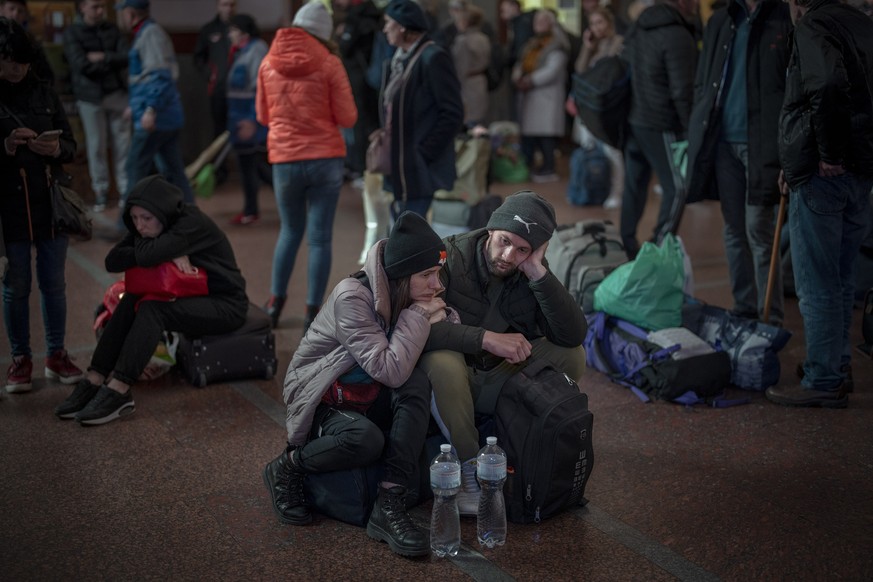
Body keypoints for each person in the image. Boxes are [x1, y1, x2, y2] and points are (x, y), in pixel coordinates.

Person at [263, 211, 451, 557]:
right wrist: (419, 315)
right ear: (400, 274)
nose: (437, 285)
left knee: (416, 385)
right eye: (427, 275)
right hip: (324, 397)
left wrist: (433, 314)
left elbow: (445, 318)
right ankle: (286, 467)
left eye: (438, 274)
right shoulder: (352, 297)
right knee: (366, 439)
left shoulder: (406, 293)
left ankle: (389, 503)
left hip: (365, 394)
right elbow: (388, 369)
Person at [419, 190, 587, 515]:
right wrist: (485, 339)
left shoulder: (527, 268)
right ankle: (469, 468)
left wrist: (538, 272)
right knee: (440, 360)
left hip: (499, 378)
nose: (509, 256)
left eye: (523, 249)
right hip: (456, 379)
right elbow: (419, 331)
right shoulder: (450, 257)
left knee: (573, 355)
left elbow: (572, 334)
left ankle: (522, 429)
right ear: (491, 229)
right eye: (504, 241)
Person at [53, 175, 248, 425]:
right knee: (133, 295)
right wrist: (164, 249)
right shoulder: (152, 225)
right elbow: (112, 260)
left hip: (226, 305)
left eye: (146, 218)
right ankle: (96, 376)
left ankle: (120, 388)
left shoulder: (190, 222)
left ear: (164, 212)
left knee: (153, 308)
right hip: (194, 296)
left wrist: (162, 249)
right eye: (133, 219)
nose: (140, 226)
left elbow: (145, 256)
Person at [766, 0, 873, 408]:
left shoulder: (813, 25)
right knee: (844, 278)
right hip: (860, 172)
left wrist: (826, 153)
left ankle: (824, 377)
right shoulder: (861, 24)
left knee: (818, 282)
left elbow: (825, 86)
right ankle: (837, 362)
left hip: (827, 173)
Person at [685, 0, 791, 325]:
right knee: (733, 230)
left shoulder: (784, 17)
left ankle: (769, 317)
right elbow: (704, 79)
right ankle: (745, 308)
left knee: (759, 230)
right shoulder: (721, 19)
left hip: (764, 145)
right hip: (723, 144)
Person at [256, 0, 357, 331]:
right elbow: (348, 116)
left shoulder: (268, 62)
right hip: (325, 158)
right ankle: (312, 312)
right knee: (319, 239)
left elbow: (262, 116)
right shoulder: (330, 63)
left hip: (285, 160)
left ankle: (274, 304)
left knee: (289, 231)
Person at [0, 16, 83, 393]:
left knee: (54, 283)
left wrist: (56, 148)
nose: (15, 68)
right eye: (8, 60)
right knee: (16, 285)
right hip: (9, 204)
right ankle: (21, 359)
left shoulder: (44, 92)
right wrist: (5, 145)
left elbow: (71, 145)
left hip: (49, 200)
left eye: (21, 60)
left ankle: (56, 354)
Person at [620, 0, 698, 259]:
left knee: (635, 184)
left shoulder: (638, 29)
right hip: (663, 123)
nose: (696, 3)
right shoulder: (677, 35)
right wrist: (691, 129)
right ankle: (658, 247)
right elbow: (682, 91)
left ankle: (627, 243)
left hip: (635, 119)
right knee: (678, 187)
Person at [379, 0, 463, 218]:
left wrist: (424, 152)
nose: (384, 28)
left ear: (403, 27)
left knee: (409, 236)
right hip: (400, 163)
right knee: (400, 231)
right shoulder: (398, 60)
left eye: (389, 23)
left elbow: (452, 113)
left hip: (417, 166)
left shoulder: (433, 57)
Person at [117, 0, 194, 223]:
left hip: (155, 118)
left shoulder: (149, 35)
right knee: (173, 170)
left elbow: (160, 76)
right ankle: (190, 215)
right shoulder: (148, 33)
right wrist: (137, 106)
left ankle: (126, 224)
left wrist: (150, 109)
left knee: (135, 167)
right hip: (164, 115)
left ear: (130, 13)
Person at [63, 0, 130, 212]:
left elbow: (126, 56)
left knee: (123, 144)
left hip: (116, 93)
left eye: (102, 6)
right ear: (82, 7)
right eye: (95, 6)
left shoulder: (112, 29)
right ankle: (100, 191)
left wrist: (102, 57)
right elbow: (79, 64)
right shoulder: (73, 32)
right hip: (89, 96)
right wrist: (109, 62)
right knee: (96, 145)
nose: (100, 10)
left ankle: (125, 189)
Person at [567, 6, 625, 209]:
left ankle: (617, 191)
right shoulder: (592, 45)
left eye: (600, 22)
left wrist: (603, 44)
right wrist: (587, 47)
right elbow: (580, 70)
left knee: (611, 151)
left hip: (607, 107)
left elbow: (609, 68)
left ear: (608, 23)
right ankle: (592, 188)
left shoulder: (618, 42)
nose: (596, 27)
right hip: (587, 105)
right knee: (589, 147)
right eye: (592, 23)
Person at [511, 9, 570, 183]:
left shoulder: (557, 43)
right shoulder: (532, 43)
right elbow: (520, 63)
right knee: (531, 134)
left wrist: (530, 80)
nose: (538, 23)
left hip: (546, 95)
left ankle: (548, 168)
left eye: (543, 20)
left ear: (551, 23)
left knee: (546, 135)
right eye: (537, 20)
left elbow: (553, 70)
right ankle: (530, 166)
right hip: (529, 94)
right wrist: (517, 77)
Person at [225, 13, 270, 226]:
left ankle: (251, 210)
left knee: (256, 166)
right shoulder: (240, 52)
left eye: (233, 30)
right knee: (252, 166)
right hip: (239, 119)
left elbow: (263, 88)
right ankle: (250, 209)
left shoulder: (257, 50)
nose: (229, 34)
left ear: (243, 32)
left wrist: (253, 120)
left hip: (251, 121)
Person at [334, 0, 382, 181]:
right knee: (370, 121)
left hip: (356, 75)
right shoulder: (374, 15)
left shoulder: (355, 19)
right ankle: (368, 164)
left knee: (359, 121)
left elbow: (345, 48)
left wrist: (340, 35)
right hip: (370, 74)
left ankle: (360, 167)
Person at [193, 0, 236, 181]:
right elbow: (198, 57)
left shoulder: (241, 27)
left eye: (232, 4)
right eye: (225, 4)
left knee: (243, 131)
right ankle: (220, 171)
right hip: (217, 89)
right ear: (218, 6)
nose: (228, 8)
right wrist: (209, 74)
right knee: (219, 130)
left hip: (239, 90)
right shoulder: (209, 30)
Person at [448, 2, 490, 126]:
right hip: (480, 82)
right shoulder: (483, 38)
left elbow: (461, 67)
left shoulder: (463, 41)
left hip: (467, 86)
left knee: (469, 121)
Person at [0, 0, 54, 84]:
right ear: (1, 9)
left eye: (20, 11)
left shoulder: (31, 41)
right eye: (11, 9)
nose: (15, 14)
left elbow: (45, 74)